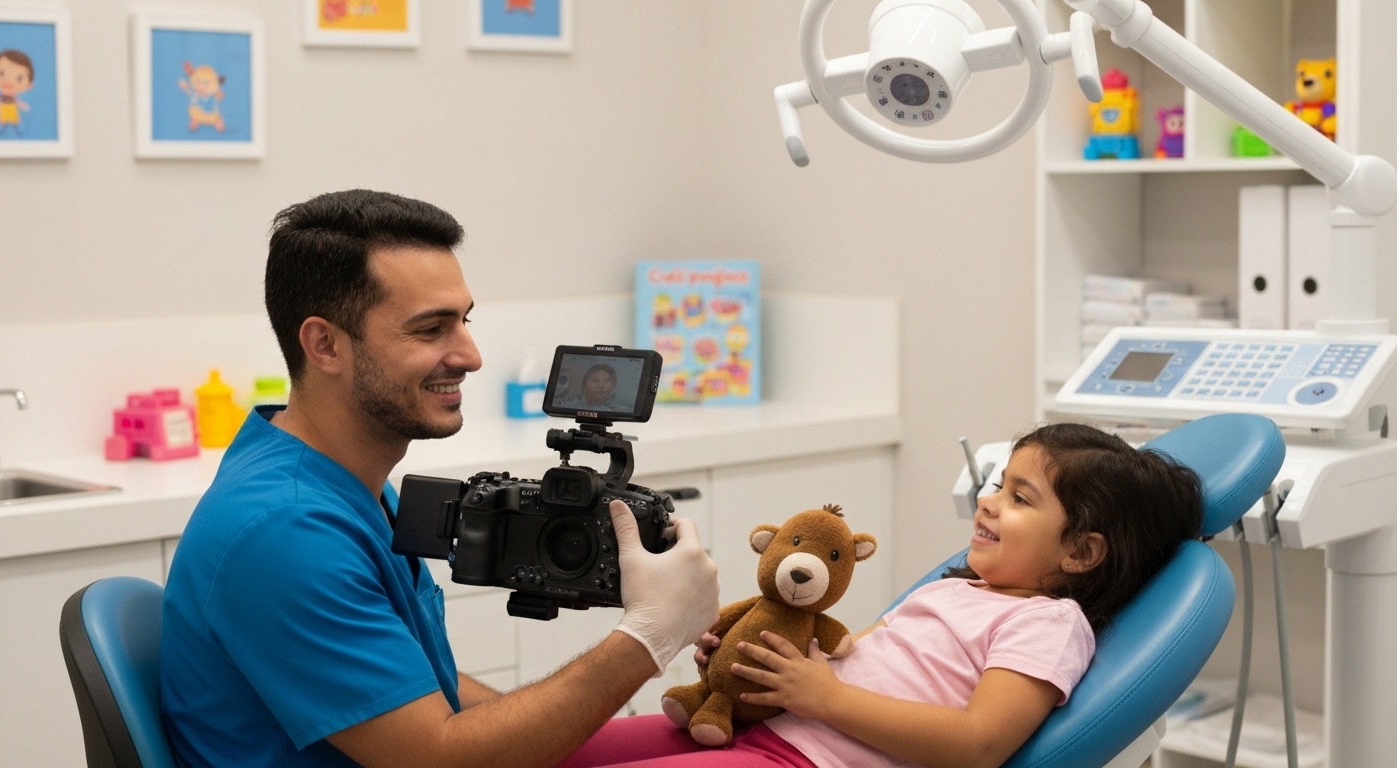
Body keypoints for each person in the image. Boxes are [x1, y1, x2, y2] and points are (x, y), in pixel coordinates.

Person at [159, 190, 720, 768]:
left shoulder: (343, 484)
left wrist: (544, 736)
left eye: (464, 320)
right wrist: (648, 638)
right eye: (431, 330)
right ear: (325, 344)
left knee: (749, 738)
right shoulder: (285, 531)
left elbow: (424, 693)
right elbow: (437, 759)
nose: (471, 355)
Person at [553, 422, 1204, 768]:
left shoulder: (1050, 623)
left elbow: (980, 746)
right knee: (560, 750)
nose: (988, 500)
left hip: (804, 763)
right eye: (998, 484)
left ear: (1081, 552)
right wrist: (755, 666)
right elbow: (837, 661)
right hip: (763, 733)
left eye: (1019, 497)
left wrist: (823, 696)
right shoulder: (958, 589)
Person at [555, 363, 630, 411]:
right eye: (595, 380)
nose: (600, 386)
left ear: (612, 386)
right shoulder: (567, 406)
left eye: (607, 381)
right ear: (585, 384)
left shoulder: (619, 409)